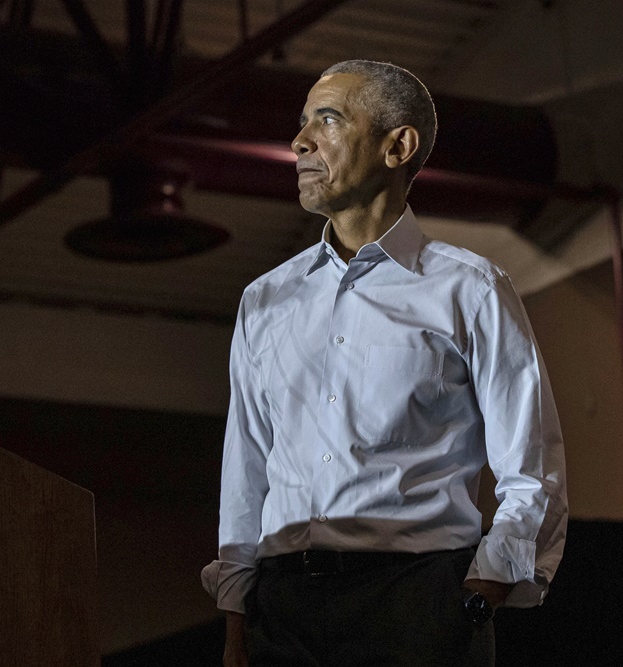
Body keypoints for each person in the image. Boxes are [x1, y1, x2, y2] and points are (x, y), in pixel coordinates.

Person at [201, 59, 567, 667]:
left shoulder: (470, 289)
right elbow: (246, 470)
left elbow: (533, 470)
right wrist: (238, 619)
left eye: (328, 119)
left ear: (398, 146)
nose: (299, 142)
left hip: (417, 609)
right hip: (282, 613)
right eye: (301, 124)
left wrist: (478, 597)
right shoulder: (263, 300)